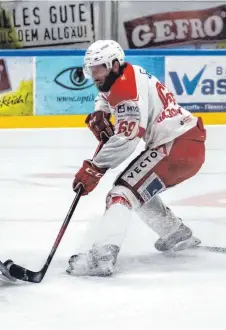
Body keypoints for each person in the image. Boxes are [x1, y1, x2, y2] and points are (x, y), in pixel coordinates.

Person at [67, 40, 207, 277]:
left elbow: (127, 138)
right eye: (91, 69)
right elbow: (107, 94)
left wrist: (95, 168)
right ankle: (174, 232)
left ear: (113, 65)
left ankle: (102, 256)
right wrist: (101, 110)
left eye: (98, 68)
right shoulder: (123, 74)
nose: (93, 75)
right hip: (185, 142)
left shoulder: (127, 92)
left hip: (176, 146)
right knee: (136, 193)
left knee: (121, 195)